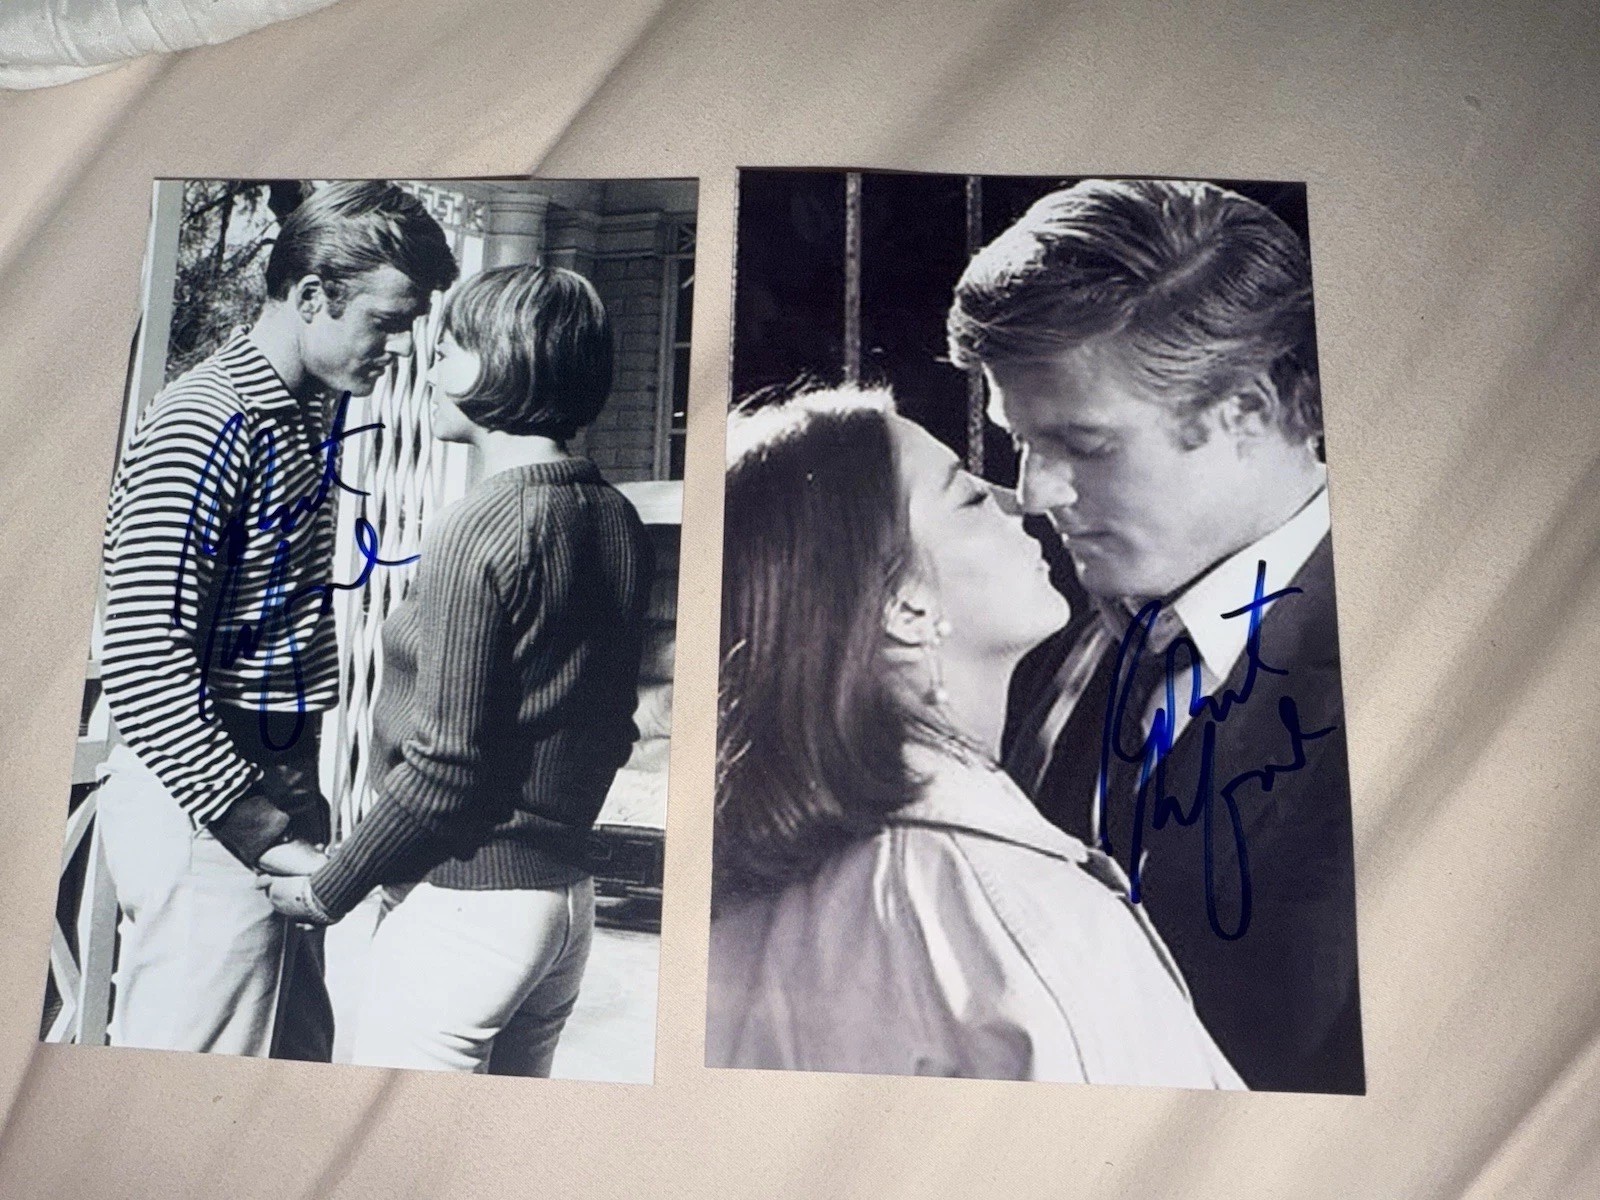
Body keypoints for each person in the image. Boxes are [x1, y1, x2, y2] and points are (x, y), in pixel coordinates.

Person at [948, 178, 1363, 1093]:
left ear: (1249, 410)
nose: (1041, 493)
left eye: (1085, 445)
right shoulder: (1028, 610)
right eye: (1017, 441)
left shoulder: (1427, 664)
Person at [706, 386, 1242, 1089]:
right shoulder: (1015, 908)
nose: (1021, 500)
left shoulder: (758, 892)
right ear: (903, 604)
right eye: (966, 497)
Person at [96, 181, 457, 1058]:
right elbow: (143, 660)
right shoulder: (208, 418)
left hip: (271, 792)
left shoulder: (296, 413)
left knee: (280, 1085)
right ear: (309, 297)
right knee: (184, 1120)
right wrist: (261, 833)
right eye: (385, 320)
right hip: (208, 810)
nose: (399, 348)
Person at [265, 265, 654, 1076]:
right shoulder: (614, 516)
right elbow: (612, 726)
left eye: (444, 351)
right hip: (560, 912)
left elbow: (445, 765)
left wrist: (329, 887)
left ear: (490, 363)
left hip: (466, 910)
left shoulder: (478, 526)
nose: (426, 371)